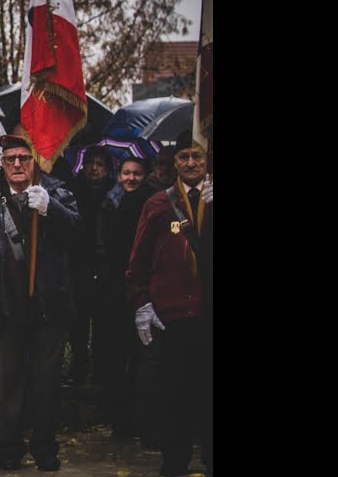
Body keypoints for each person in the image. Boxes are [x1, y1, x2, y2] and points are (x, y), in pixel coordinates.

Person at [0, 134, 80, 472]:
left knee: (46, 386)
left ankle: (45, 450)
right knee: (6, 387)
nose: (15, 165)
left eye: (23, 158)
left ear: (34, 161)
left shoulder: (56, 191)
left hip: (47, 309)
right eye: (9, 158)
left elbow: (78, 235)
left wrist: (51, 208)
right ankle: (9, 449)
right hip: (3, 309)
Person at [125, 133, 212, 477]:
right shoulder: (159, 203)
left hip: (209, 314)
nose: (191, 163)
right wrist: (142, 303)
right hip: (172, 314)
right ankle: (174, 461)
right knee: (173, 393)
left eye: (198, 157)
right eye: (184, 157)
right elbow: (138, 259)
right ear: (174, 163)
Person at [94, 156, 159, 443]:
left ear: (145, 176)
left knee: (143, 361)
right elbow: (101, 244)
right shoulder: (110, 202)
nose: (131, 178)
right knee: (116, 359)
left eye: (137, 173)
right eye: (126, 173)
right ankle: (120, 422)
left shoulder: (154, 203)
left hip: (144, 291)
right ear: (119, 175)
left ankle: (142, 421)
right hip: (112, 291)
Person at [67, 145, 114, 385]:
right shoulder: (72, 191)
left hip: (105, 268)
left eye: (100, 164)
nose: (94, 168)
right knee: (78, 326)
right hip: (78, 267)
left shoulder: (114, 194)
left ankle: (100, 375)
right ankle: (78, 370)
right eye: (90, 163)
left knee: (103, 328)